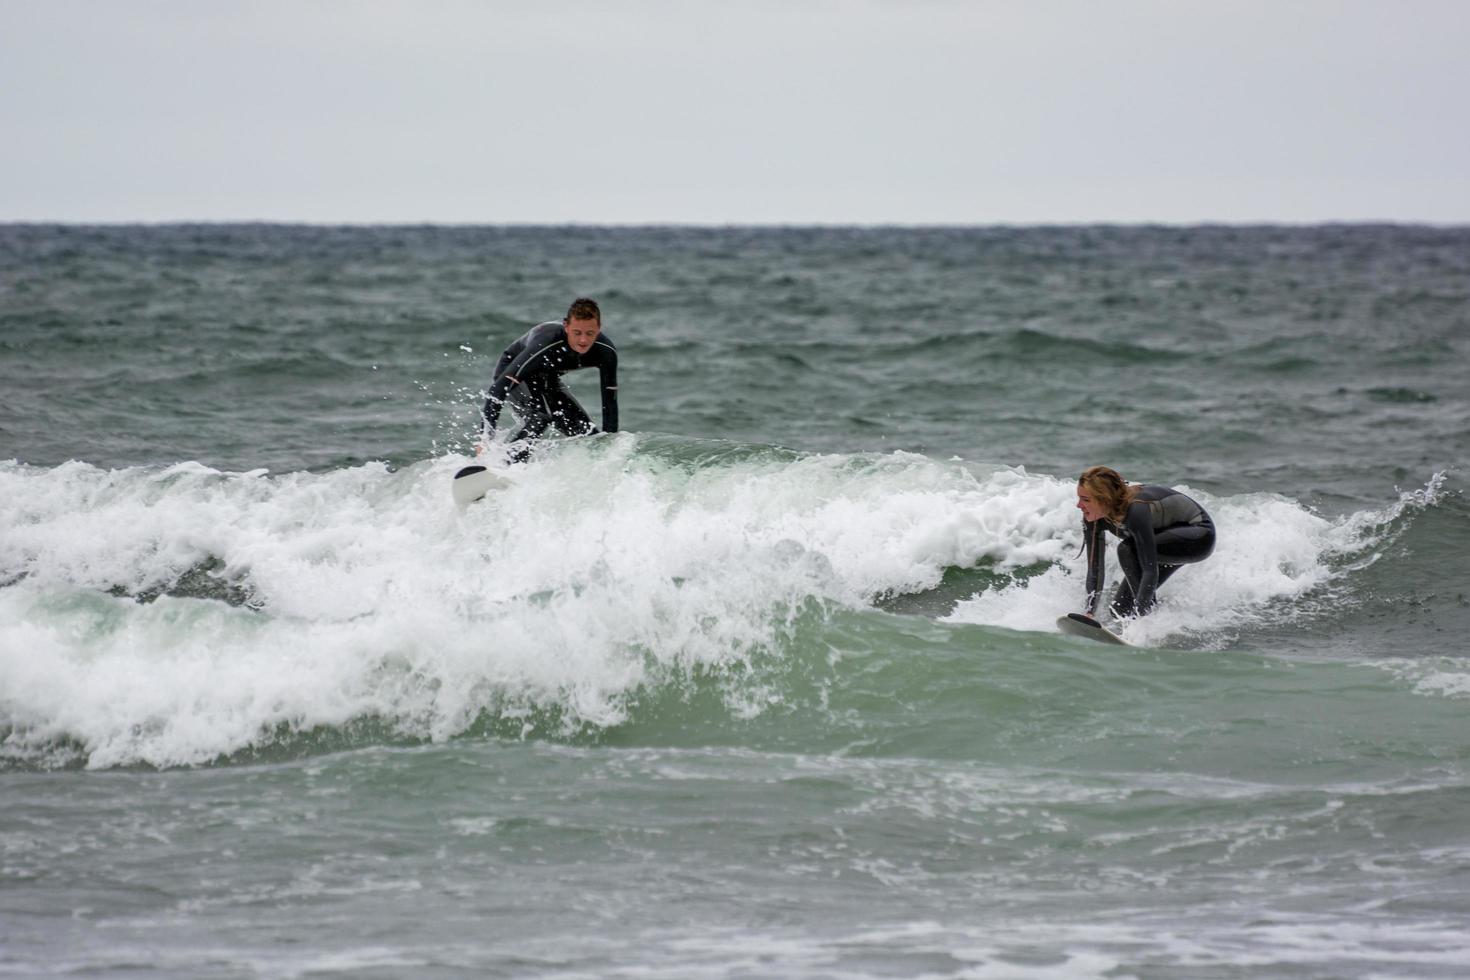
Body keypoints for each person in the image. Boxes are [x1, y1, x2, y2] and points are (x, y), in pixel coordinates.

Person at [478, 297, 618, 462]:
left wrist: (611, 448)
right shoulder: (547, 341)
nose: (583, 340)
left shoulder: (606, 352)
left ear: (599, 328)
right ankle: (504, 465)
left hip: (547, 378)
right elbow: (499, 388)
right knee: (540, 417)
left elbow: (610, 404)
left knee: (588, 436)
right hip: (513, 372)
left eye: (590, 333)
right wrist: (485, 438)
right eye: (577, 332)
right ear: (566, 326)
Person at [1075, 465, 1216, 622]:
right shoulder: (1093, 518)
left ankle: (1148, 621)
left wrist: (1143, 621)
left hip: (1199, 535)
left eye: (1086, 500)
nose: (1079, 505)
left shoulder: (1136, 510)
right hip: (1162, 539)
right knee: (1120, 610)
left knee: (1127, 550)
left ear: (1105, 499)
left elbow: (1150, 570)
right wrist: (1089, 611)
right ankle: (1160, 624)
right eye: (1079, 498)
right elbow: (1095, 568)